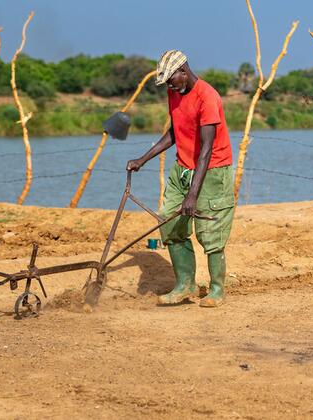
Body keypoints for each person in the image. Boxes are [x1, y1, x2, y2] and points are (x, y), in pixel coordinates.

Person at [126, 50, 234, 308]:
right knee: (169, 220)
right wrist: (143, 159)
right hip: (183, 167)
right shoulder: (174, 91)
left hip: (212, 170)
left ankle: (217, 290)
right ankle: (185, 285)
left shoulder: (207, 97)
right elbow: (174, 132)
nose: (169, 86)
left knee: (210, 231)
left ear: (183, 71)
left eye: (171, 80)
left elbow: (206, 150)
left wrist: (192, 195)